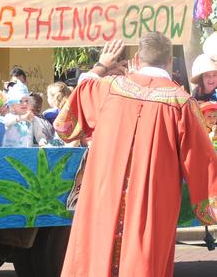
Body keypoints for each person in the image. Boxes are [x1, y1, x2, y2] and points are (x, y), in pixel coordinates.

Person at [54, 34, 217, 277]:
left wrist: (102, 65)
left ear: (138, 58)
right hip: (149, 209)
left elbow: (65, 123)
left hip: (103, 203)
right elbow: (204, 165)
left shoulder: (109, 88)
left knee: (94, 260)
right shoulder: (181, 103)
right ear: (169, 62)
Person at [2, 82, 40, 147]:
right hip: (10, 153)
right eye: (20, 101)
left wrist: (42, 140)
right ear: (13, 105)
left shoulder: (33, 118)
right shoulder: (9, 116)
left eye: (27, 101)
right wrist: (22, 117)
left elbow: (39, 134)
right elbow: (7, 121)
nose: (24, 104)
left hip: (26, 153)